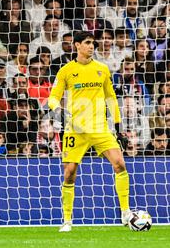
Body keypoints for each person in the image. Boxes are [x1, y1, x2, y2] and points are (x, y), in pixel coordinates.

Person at [48, 31, 130, 232]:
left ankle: (126, 212)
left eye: (93, 43)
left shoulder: (102, 69)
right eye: (87, 43)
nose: (92, 46)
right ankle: (67, 220)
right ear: (77, 45)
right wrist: (59, 111)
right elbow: (52, 97)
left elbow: (111, 98)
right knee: (69, 174)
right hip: (75, 129)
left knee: (120, 164)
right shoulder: (66, 71)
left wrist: (119, 128)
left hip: (100, 128)